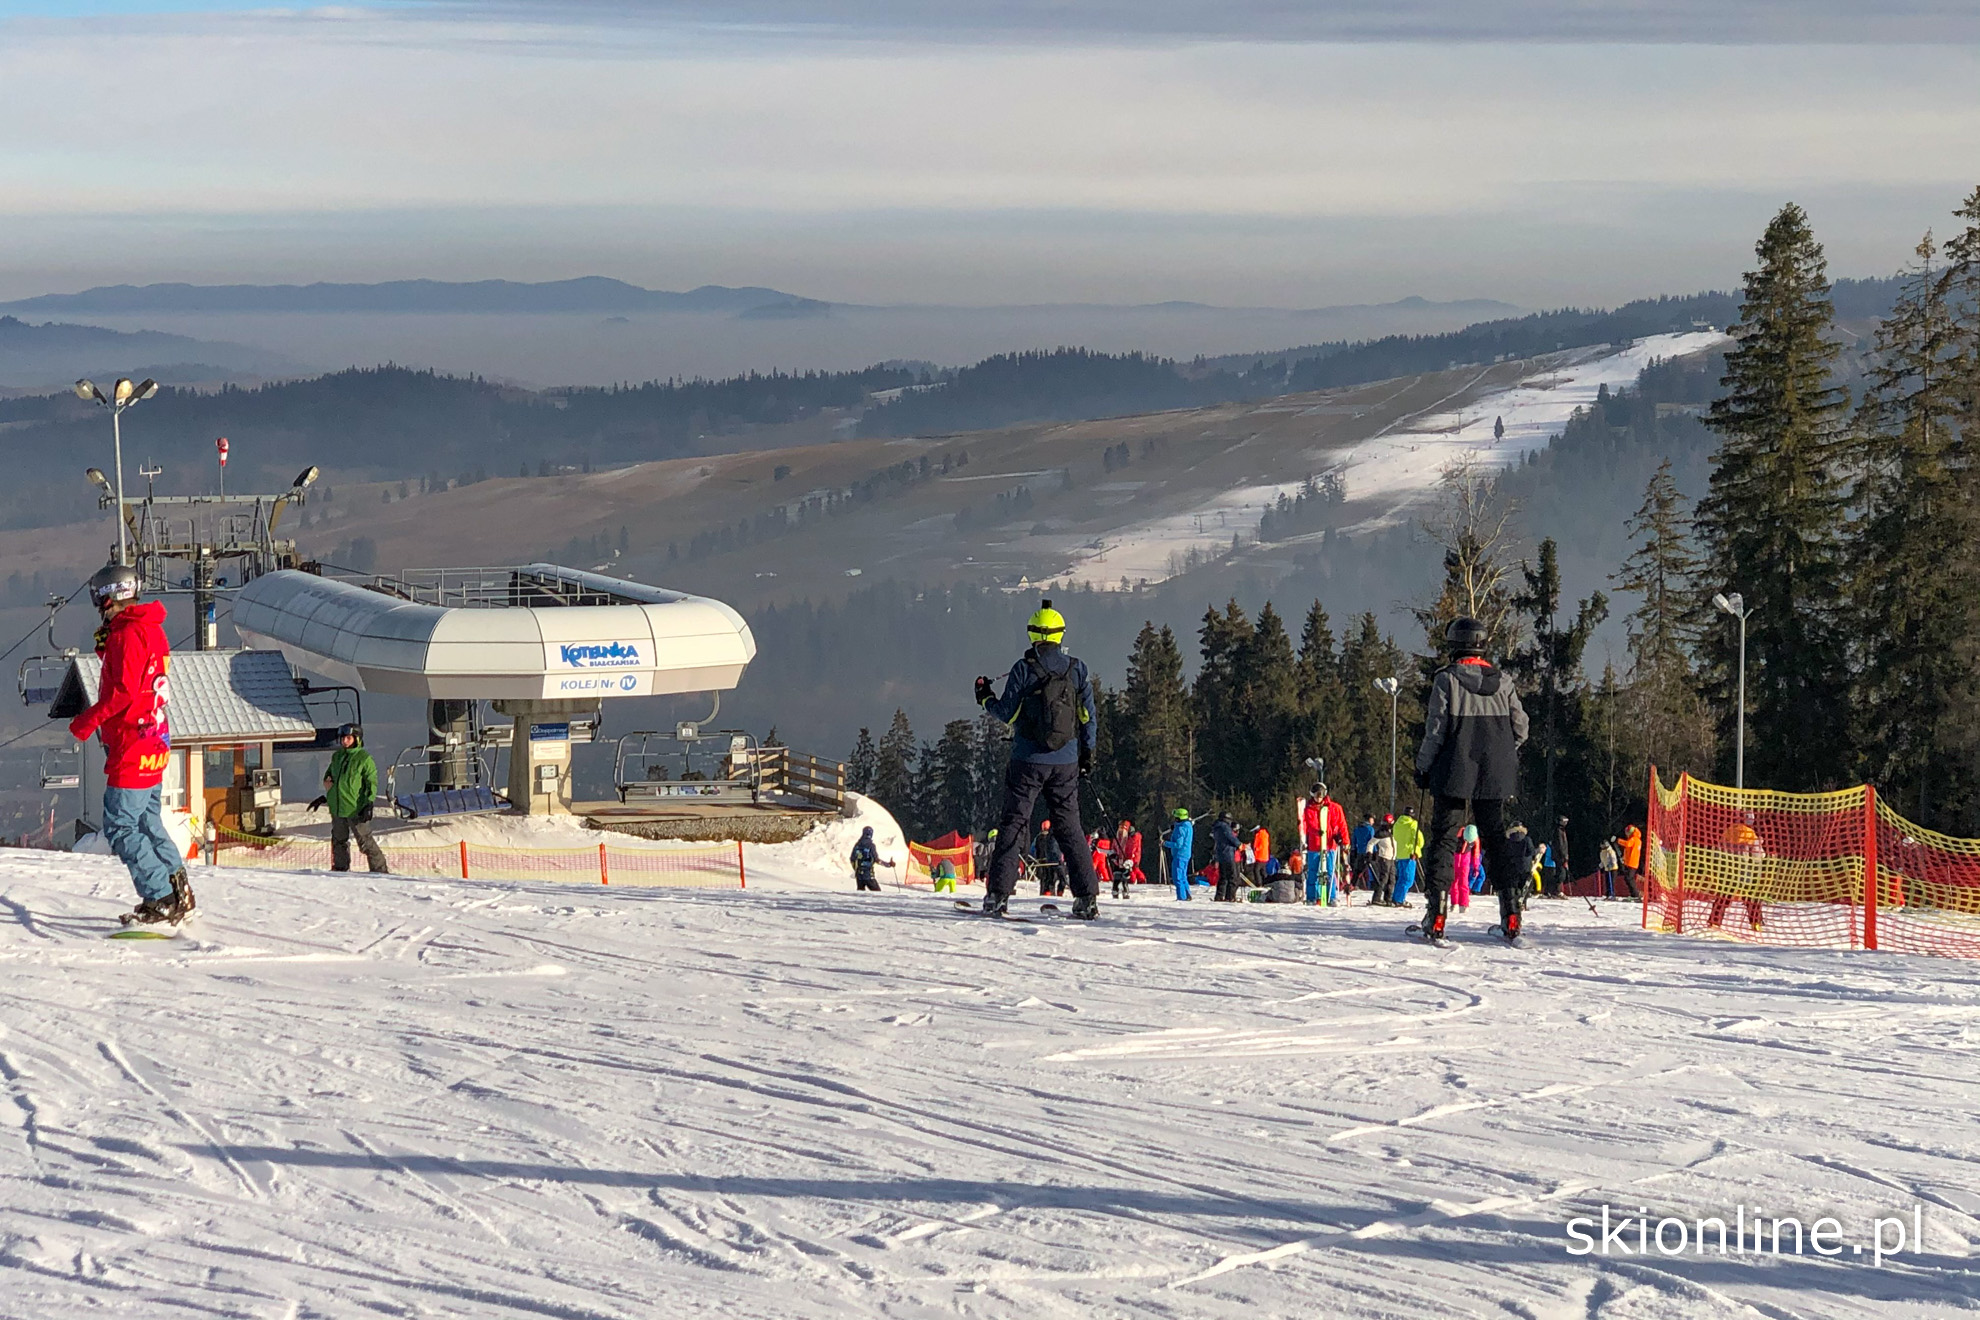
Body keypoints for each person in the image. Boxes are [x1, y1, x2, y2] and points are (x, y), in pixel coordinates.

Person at [68, 563, 193, 926]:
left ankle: (159, 896)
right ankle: (176, 884)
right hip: (154, 738)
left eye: (100, 600)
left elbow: (122, 693)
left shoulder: (127, 634)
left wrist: (85, 722)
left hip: (133, 742)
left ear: (111, 596)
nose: (99, 607)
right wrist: (106, 652)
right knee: (147, 819)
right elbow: (141, 679)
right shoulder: (150, 629)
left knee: (121, 824)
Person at [974, 600, 1102, 920]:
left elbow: (1007, 713)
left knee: (1015, 823)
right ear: (1060, 634)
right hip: (1067, 761)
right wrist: (1087, 755)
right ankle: (1086, 898)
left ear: (1032, 633)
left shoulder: (1023, 668)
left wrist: (985, 696)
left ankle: (998, 896)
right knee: (1070, 826)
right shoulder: (1077, 669)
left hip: (1028, 760)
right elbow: (1087, 717)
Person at [1412, 615, 1530, 944]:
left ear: (1453, 645)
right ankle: (1511, 915)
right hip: (1495, 772)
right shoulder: (1503, 681)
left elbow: (1435, 731)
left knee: (1445, 839)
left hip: (1453, 769)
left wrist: (1423, 767)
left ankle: (1436, 915)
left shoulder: (1446, 680)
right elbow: (1521, 728)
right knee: (1496, 840)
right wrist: (1503, 751)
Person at [309, 723, 390, 874]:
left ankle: (380, 870)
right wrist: (326, 797)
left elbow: (371, 782)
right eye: (342, 738)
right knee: (338, 841)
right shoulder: (337, 757)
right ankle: (340, 869)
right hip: (338, 808)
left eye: (348, 738)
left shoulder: (364, 758)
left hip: (355, 808)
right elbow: (330, 778)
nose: (344, 741)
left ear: (357, 739)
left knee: (365, 841)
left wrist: (368, 803)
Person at [1707, 812, 1766, 931]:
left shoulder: (1728, 832)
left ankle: (1715, 921)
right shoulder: (1750, 834)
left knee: (1723, 897)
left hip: (1728, 871)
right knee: (1751, 898)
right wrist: (1759, 844)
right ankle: (1756, 922)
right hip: (1744, 871)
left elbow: (1718, 851)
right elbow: (1757, 857)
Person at [1392, 809, 1424, 906]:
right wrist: (1417, 849)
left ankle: (1396, 897)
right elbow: (1419, 840)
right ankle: (1399, 899)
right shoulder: (1413, 824)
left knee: (1401, 878)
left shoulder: (1397, 824)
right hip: (1409, 854)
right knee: (1408, 879)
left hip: (1398, 853)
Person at [1164, 808, 1194, 900]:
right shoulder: (1187, 826)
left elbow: (1178, 844)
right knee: (1183, 876)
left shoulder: (1181, 829)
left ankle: (1182, 898)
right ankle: (1187, 894)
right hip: (1186, 854)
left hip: (1179, 855)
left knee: (1178, 878)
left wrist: (1165, 843)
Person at [1211, 812, 1242, 901]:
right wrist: (1239, 844)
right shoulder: (1224, 827)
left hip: (1221, 854)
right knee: (1233, 877)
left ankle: (1219, 896)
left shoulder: (1217, 827)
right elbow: (1230, 837)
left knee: (1223, 877)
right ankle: (1230, 896)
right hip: (1228, 854)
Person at [849, 824, 889, 891]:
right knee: (877, 893)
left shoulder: (857, 845)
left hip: (859, 875)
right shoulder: (871, 845)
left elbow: (852, 858)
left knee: (860, 894)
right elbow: (876, 859)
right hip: (868, 874)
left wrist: (856, 868)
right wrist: (888, 864)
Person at [1451, 822, 1480, 912]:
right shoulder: (1456, 836)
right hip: (1454, 861)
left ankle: (1464, 904)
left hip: (1465, 862)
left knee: (1464, 883)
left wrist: (1476, 867)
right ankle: (1454, 903)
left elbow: (1476, 854)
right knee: (1454, 882)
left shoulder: (1475, 840)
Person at [1031, 819, 1065, 896]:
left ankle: (1045, 893)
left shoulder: (1038, 838)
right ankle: (1058, 892)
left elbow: (1033, 850)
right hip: (1053, 861)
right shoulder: (1054, 837)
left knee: (1046, 880)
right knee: (1055, 879)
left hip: (1041, 863)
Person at [1350, 813, 1376, 895]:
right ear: (1369, 820)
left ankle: (1352, 885)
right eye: (1372, 819)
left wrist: (1353, 850)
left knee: (1357, 871)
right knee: (1373, 870)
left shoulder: (1357, 829)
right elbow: (1373, 841)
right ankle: (1374, 886)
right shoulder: (1370, 829)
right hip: (1369, 852)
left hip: (1359, 852)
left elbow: (1354, 841)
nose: (1373, 821)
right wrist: (1374, 852)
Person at [1617, 823, 1644, 900]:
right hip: (1632, 862)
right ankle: (1634, 894)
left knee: (1629, 878)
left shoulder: (1634, 839)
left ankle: (1635, 894)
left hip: (1632, 862)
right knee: (1628, 877)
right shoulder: (1636, 839)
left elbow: (1628, 844)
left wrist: (1618, 840)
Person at [1251, 822, 1271, 886]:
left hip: (1261, 856)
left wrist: (1256, 849)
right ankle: (1266, 883)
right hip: (1262, 856)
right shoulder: (1262, 834)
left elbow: (1263, 845)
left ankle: (1259, 884)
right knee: (1263, 871)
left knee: (1256, 870)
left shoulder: (1262, 835)